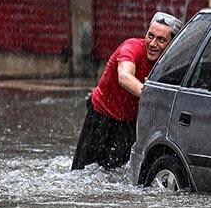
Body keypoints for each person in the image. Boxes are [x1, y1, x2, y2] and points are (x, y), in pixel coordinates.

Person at [71, 12, 183, 170]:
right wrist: (152, 96)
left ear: (172, 44)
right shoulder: (131, 48)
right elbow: (124, 76)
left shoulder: (172, 63)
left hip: (129, 125)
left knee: (118, 174)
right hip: (101, 118)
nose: (152, 43)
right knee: (82, 173)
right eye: (150, 36)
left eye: (161, 40)